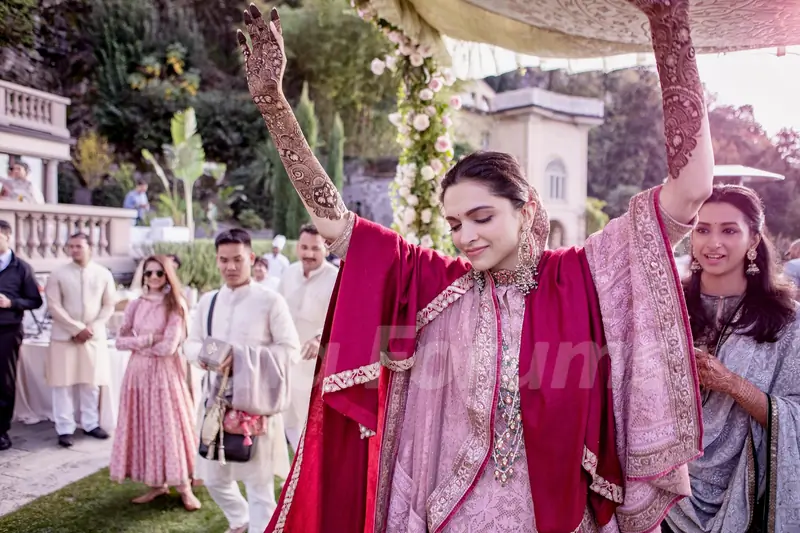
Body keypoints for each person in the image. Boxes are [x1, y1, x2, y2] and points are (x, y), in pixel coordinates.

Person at [238, 1, 713, 531]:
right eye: (454, 223)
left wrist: (669, 26)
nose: (465, 236)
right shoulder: (441, 284)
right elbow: (337, 226)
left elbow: (692, 190)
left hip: (554, 511)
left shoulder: (584, 273)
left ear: (525, 207)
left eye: (481, 217)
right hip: (453, 512)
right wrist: (273, 105)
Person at [663, 185, 800, 532]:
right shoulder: (665, 307)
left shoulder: (788, 322)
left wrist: (732, 384)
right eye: (702, 229)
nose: (713, 243)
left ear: (753, 239)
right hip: (663, 494)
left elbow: (796, 412)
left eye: (729, 230)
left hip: (746, 496)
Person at [184, 228, 300, 533]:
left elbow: (290, 349)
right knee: (212, 477)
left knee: (258, 485)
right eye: (224, 260)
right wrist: (213, 355)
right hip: (215, 404)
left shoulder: (270, 301)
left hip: (255, 405)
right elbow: (191, 344)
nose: (230, 267)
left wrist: (243, 359)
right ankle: (240, 520)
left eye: (237, 259)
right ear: (217, 261)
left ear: (250, 258)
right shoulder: (208, 301)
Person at [110, 255, 201, 511]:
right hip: (137, 376)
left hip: (164, 375)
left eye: (159, 273)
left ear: (167, 275)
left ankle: (184, 486)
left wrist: (140, 344)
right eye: (148, 273)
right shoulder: (135, 304)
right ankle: (156, 483)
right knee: (145, 426)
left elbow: (169, 346)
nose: (153, 278)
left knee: (169, 426)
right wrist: (146, 340)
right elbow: (120, 339)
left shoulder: (175, 305)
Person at [45, 233, 117, 447]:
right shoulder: (57, 274)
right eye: (71, 246)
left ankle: (91, 423)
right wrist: (76, 329)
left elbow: (109, 305)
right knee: (62, 384)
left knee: (90, 382)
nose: (74, 250)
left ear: (89, 247)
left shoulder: (103, 274)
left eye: (78, 246)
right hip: (64, 336)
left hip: (93, 337)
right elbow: (53, 305)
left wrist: (91, 328)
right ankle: (64, 428)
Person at [278, 223, 338, 450]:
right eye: (304, 247)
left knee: (312, 422)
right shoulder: (289, 273)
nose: (308, 254)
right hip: (286, 363)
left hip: (316, 364)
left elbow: (340, 318)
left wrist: (318, 338)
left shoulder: (335, 278)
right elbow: (276, 312)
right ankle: (298, 471)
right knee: (287, 419)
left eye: (315, 248)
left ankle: (313, 473)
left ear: (326, 248)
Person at [0, 220, 43, 451]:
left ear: (7, 237)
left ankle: (2, 431)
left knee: (4, 381)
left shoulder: (22, 268)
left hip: (7, 331)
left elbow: (35, 301)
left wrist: (11, 302)